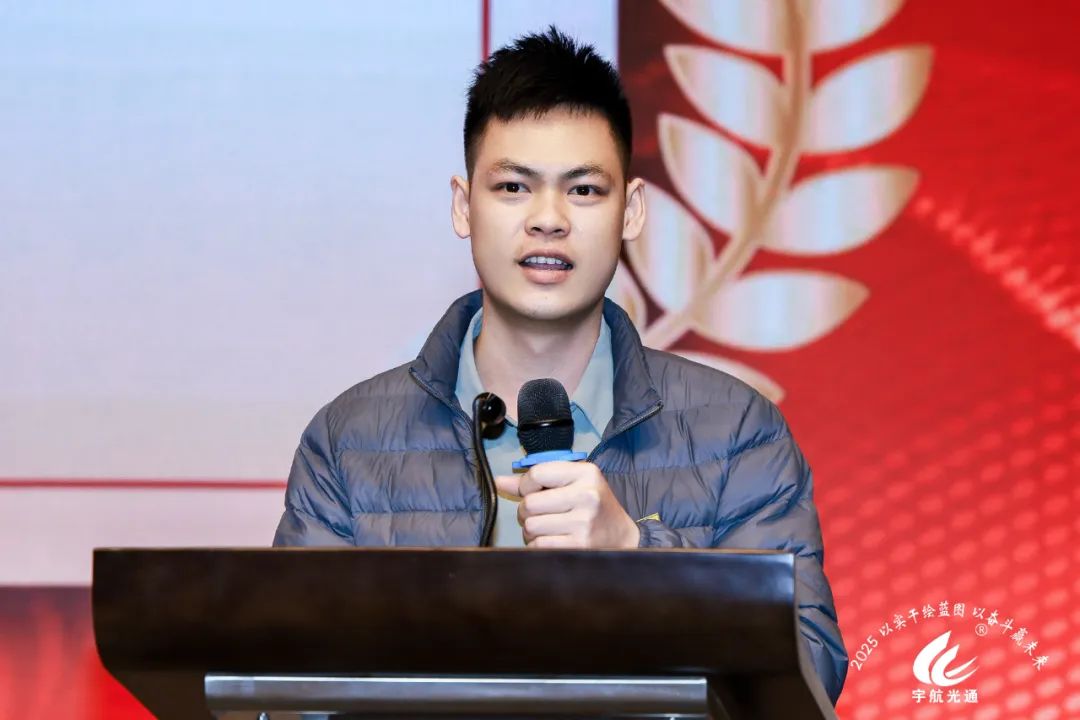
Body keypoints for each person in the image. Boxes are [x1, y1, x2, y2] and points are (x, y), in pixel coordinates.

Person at [273, 27, 847, 703]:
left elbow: (811, 674)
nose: (548, 220)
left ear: (631, 211)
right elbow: (283, 685)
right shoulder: (348, 442)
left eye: (584, 191)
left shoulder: (738, 432)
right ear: (463, 205)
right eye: (513, 186)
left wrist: (636, 554)